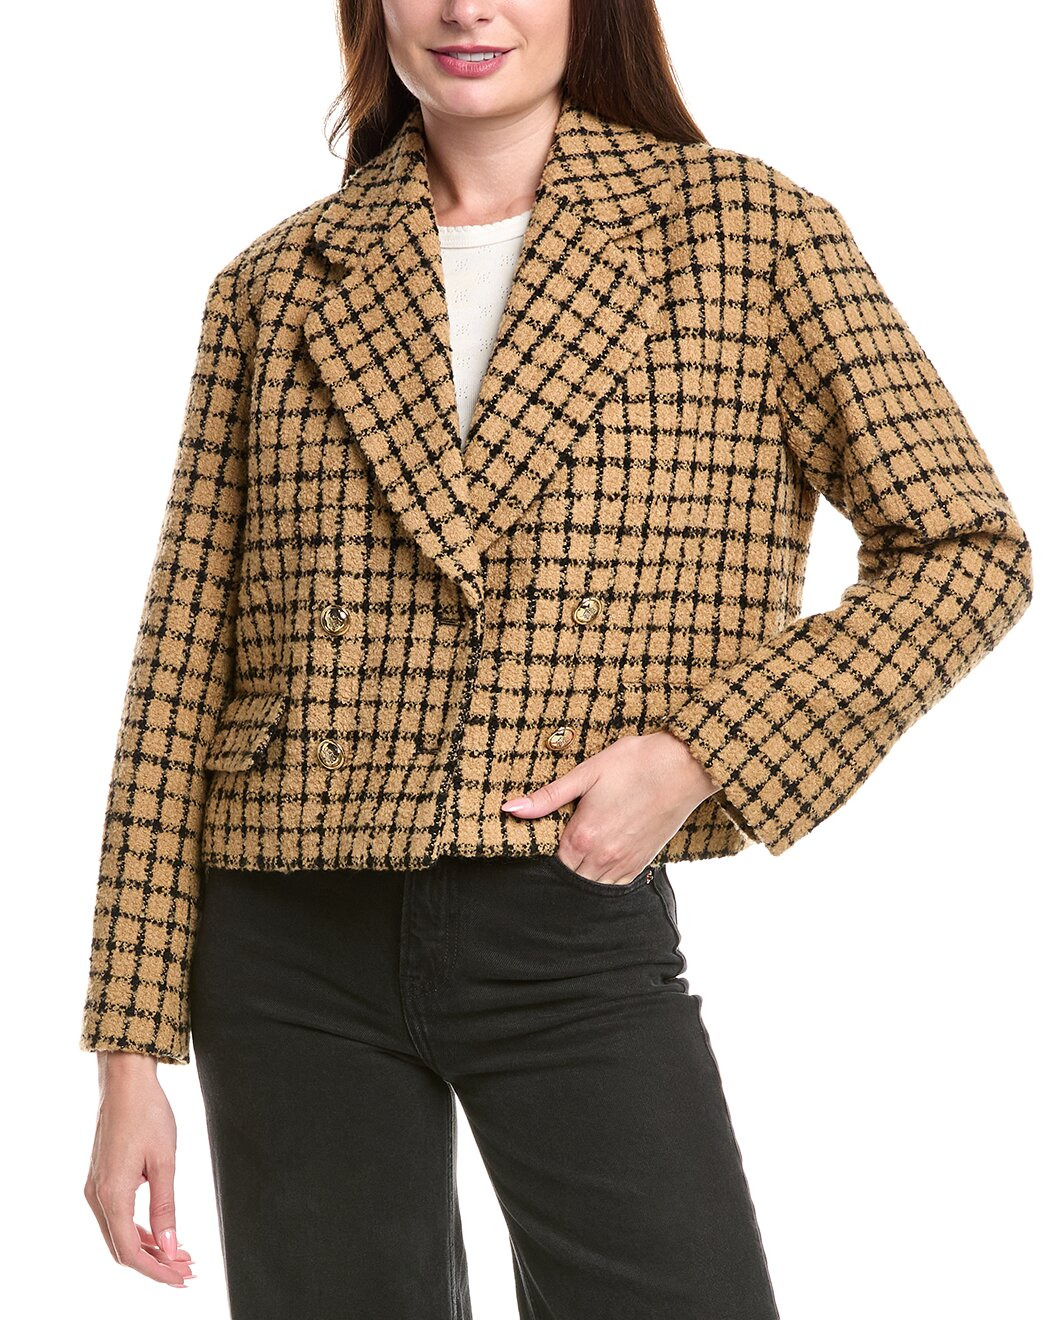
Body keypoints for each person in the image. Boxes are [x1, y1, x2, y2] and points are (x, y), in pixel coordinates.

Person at [80, 1, 1034, 1316]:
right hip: (284, 934)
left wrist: (702, 754)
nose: (467, 8)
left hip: (565, 910)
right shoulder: (278, 283)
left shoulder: (747, 235)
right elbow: (180, 662)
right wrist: (129, 1049)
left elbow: (968, 549)